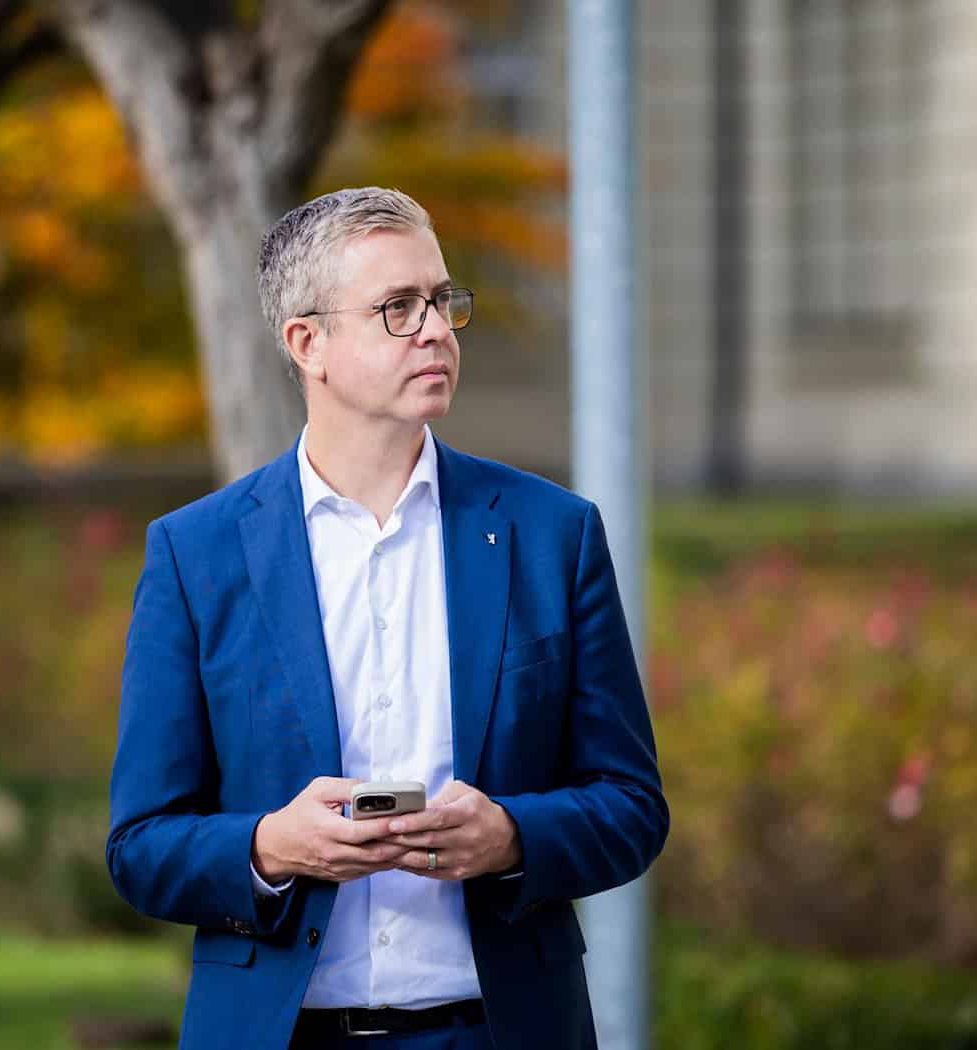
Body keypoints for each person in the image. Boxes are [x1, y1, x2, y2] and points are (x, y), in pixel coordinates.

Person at [107, 187, 667, 1050]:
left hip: (502, 1031)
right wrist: (270, 847)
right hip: (277, 1034)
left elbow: (631, 806)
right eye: (397, 309)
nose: (437, 329)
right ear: (309, 343)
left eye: (442, 301)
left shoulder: (552, 534)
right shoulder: (196, 554)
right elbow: (141, 843)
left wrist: (513, 836)